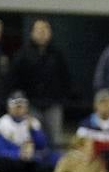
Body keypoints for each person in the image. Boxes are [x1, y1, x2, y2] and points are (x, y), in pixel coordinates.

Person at [10, 18, 70, 147]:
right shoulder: (22, 54)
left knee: (55, 141)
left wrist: (61, 98)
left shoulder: (57, 55)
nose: (42, 32)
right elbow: (14, 79)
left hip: (53, 105)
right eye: (39, 30)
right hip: (31, 105)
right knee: (32, 139)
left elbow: (65, 79)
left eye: (45, 29)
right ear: (32, 32)